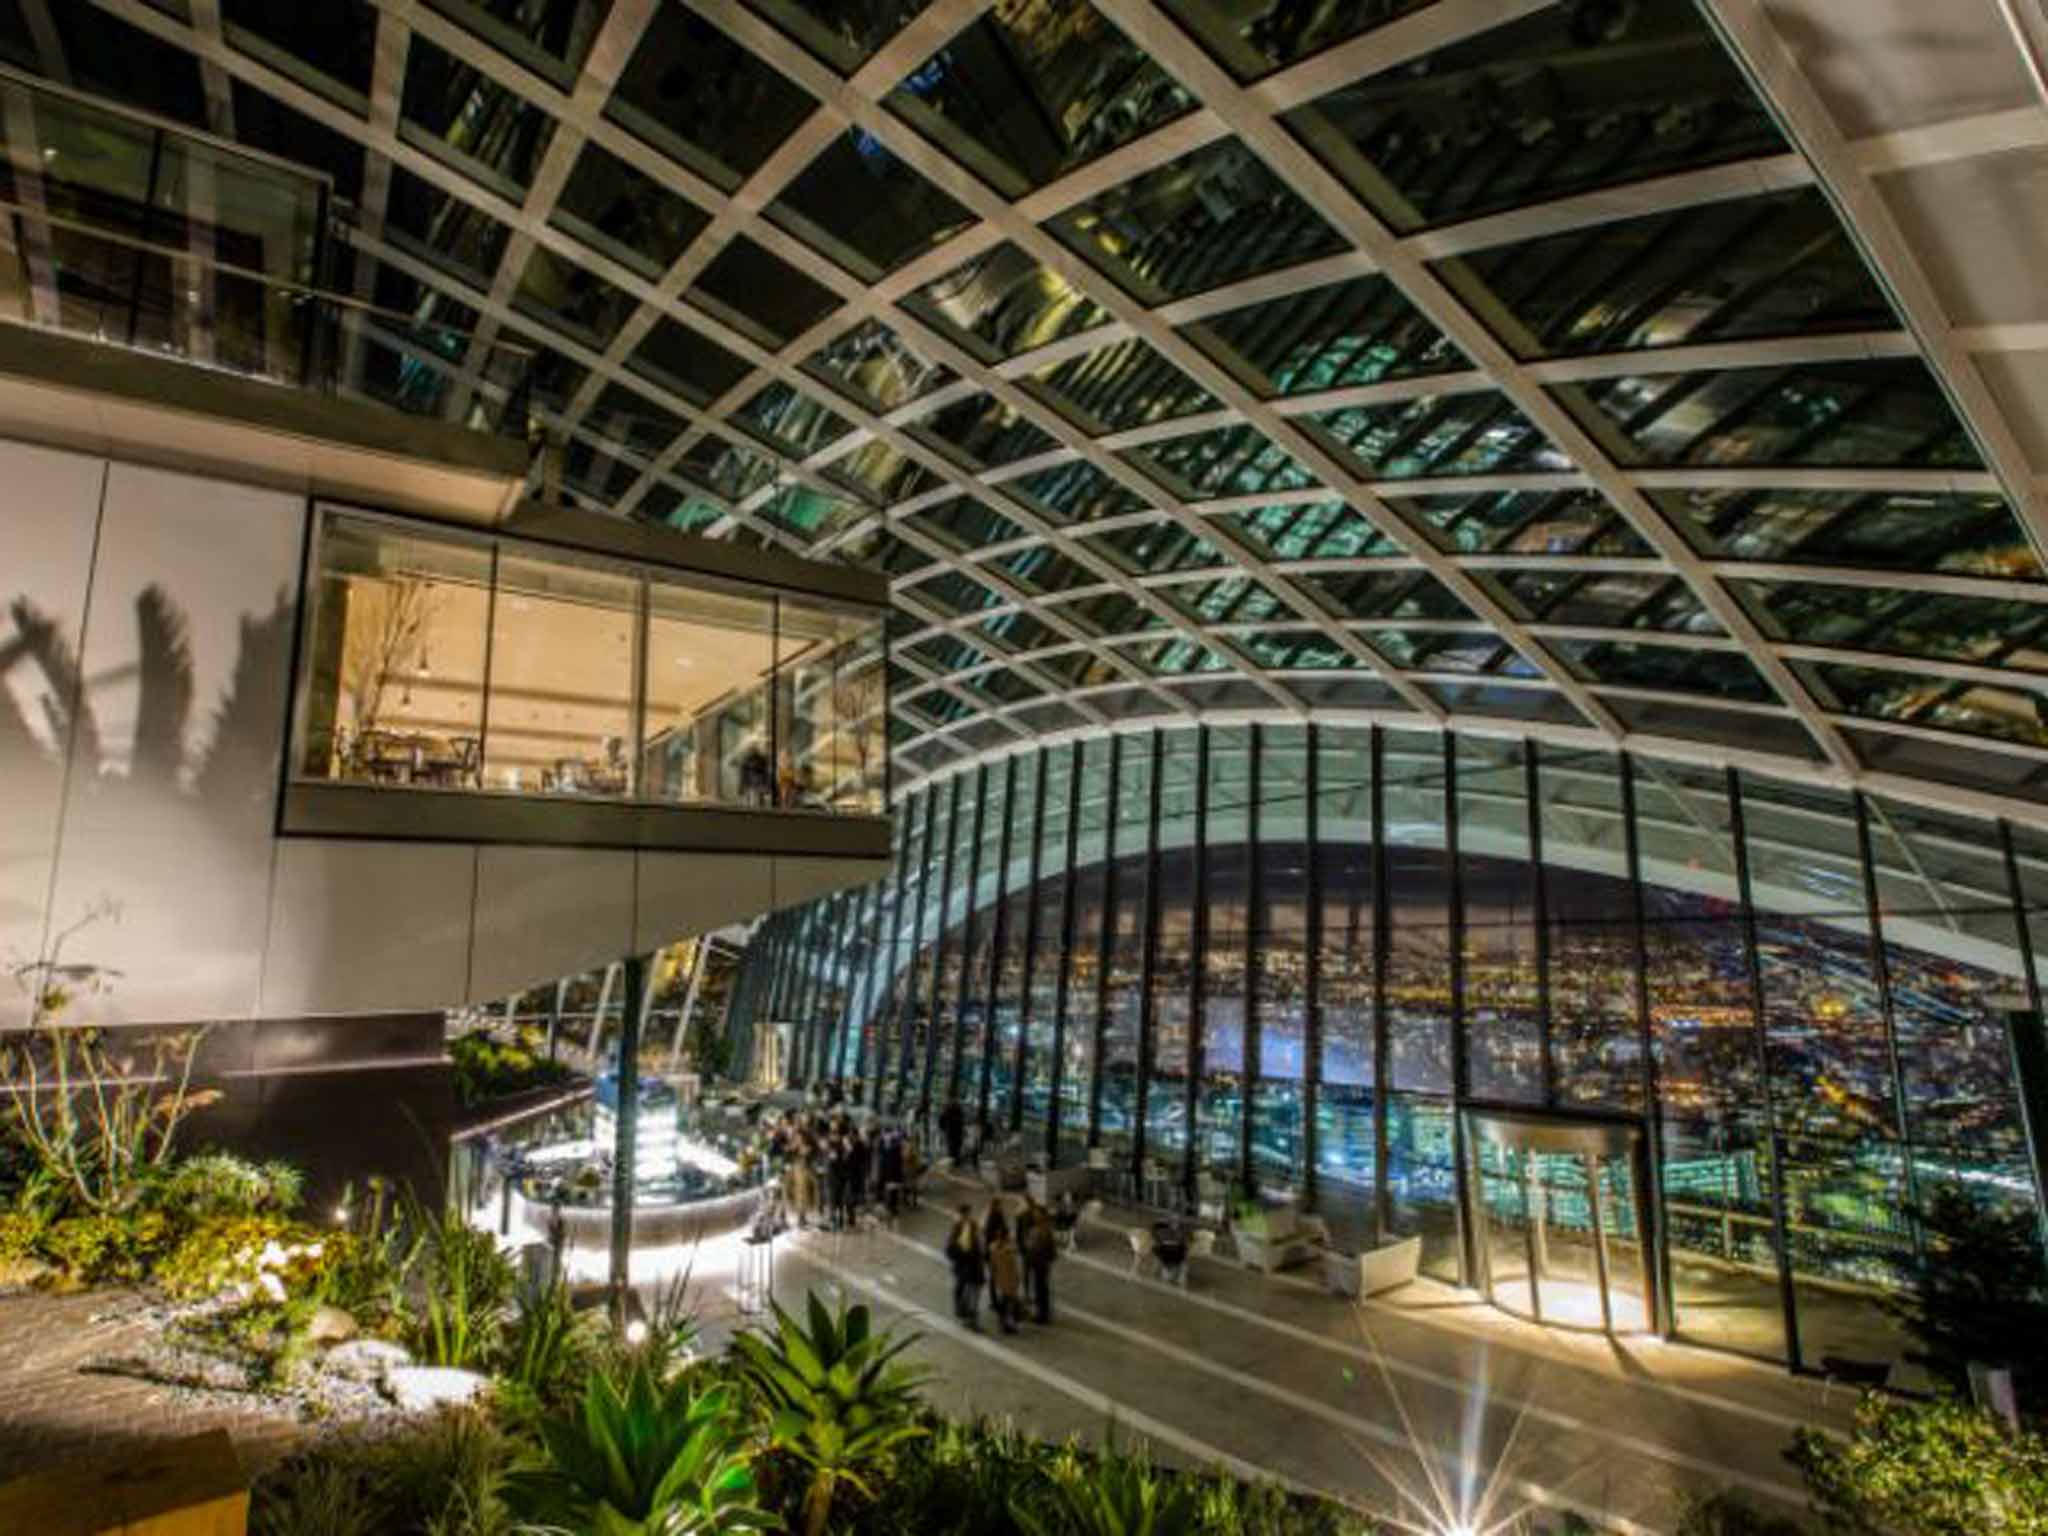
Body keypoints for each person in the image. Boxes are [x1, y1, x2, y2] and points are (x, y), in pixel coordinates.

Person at [944, 1204, 985, 1329]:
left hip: (967, 1266)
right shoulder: (962, 1227)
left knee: (967, 1291)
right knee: (970, 1293)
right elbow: (953, 1249)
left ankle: (967, 1315)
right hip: (969, 1266)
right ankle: (970, 1319)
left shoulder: (966, 1226)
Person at [1020, 1194, 1058, 1324]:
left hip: (1040, 1264)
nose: (1035, 1215)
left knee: (1041, 1289)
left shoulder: (1042, 1231)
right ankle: (1043, 1312)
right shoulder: (1039, 1229)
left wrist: (1042, 1259)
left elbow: (1043, 1248)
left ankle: (1042, 1315)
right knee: (1040, 1289)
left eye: (1037, 1214)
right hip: (1039, 1264)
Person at [986, 1206, 1023, 1335]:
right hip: (1009, 1282)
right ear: (1006, 1237)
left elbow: (992, 1264)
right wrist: (1016, 1280)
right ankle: (1007, 1325)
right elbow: (1012, 1268)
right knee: (1008, 1304)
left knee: (1005, 1302)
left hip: (1000, 1280)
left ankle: (1004, 1323)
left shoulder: (993, 1247)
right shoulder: (1008, 1251)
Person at [939, 1097, 966, 1166]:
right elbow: (942, 1120)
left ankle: (955, 1162)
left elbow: (941, 1120)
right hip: (953, 1132)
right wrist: (943, 1128)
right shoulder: (954, 1111)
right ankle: (955, 1162)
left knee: (954, 1148)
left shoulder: (954, 1111)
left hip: (954, 1132)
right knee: (953, 1148)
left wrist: (943, 1128)